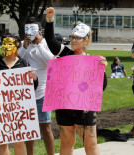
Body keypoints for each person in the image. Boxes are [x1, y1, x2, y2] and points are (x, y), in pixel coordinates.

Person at [45, 7, 108, 155]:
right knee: (66, 144)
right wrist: (49, 19)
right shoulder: (65, 54)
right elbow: (50, 40)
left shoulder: (94, 61)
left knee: (90, 145)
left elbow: (101, 87)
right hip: (63, 107)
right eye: (72, 37)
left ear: (85, 41)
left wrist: (102, 70)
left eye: (77, 38)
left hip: (84, 110)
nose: (73, 40)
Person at [0, 34, 38, 155]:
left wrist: (34, 78)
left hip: (19, 109)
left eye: (10, 44)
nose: (6, 47)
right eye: (4, 44)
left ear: (17, 46)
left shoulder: (24, 64)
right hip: (0, 110)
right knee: (2, 142)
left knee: (19, 141)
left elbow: (32, 89)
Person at [18, 17, 55, 155]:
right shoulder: (22, 45)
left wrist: (39, 45)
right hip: (26, 93)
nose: (29, 32)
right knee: (29, 129)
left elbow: (52, 62)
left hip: (43, 92)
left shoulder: (47, 44)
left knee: (46, 128)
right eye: (27, 29)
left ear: (40, 30)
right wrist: (24, 47)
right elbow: (16, 62)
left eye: (32, 29)